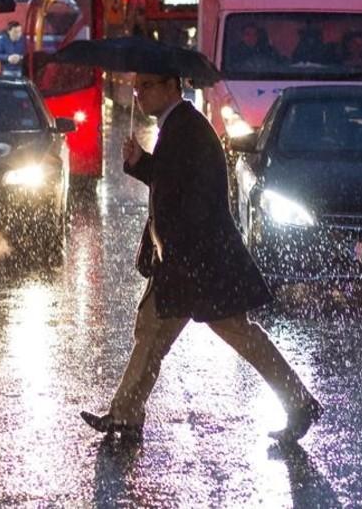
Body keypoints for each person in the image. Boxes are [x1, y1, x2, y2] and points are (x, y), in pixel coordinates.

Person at [80, 73, 322, 443]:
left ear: (173, 87)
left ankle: (300, 402)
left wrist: (177, 254)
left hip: (198, 261)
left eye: (148, 85)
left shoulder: (186, 129)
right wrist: (141, 162)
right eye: (138, 87)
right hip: (188, 258)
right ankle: (125, 415)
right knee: (151, 331)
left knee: (235, 333)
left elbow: (192, 198)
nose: (139, 93)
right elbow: (173, 181)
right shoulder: (178, 127)